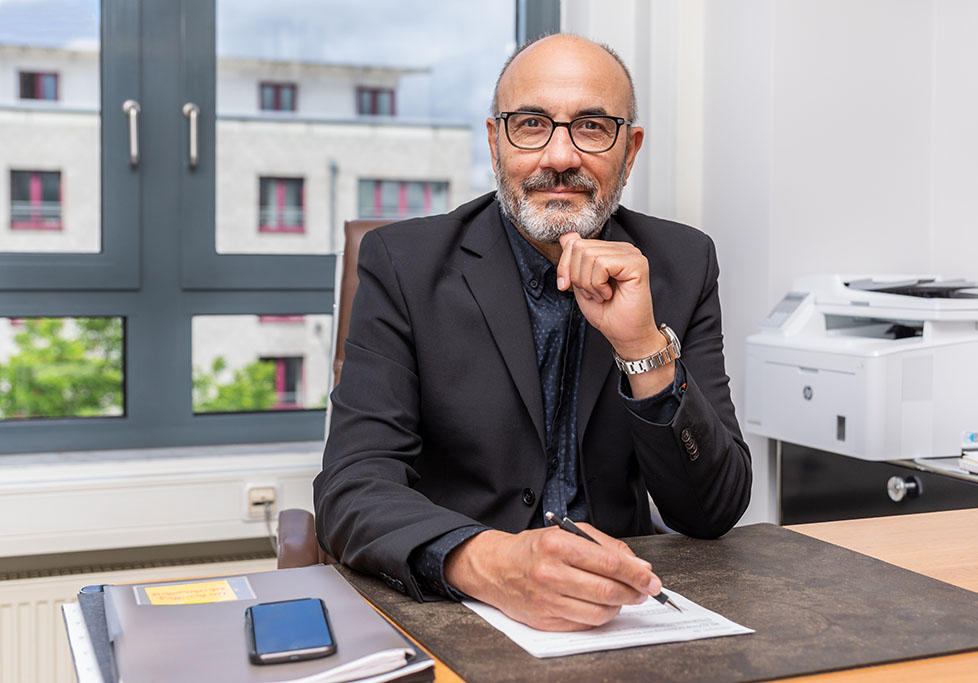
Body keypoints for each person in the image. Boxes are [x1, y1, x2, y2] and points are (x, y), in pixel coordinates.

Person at [313, 34, 751, 632]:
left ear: (631, 150)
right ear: (496, 142)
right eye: (532, 124)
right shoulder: (405, 265)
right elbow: (352, 489)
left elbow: (713, 510)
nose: (561, 156)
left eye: (593, 127)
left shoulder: (682, 262)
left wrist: (643, 348)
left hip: (624, 611)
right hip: (458, 605)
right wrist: (492, 561)